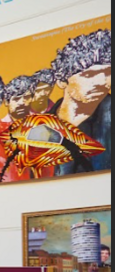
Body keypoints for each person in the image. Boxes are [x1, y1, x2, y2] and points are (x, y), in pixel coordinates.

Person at [50, 29, 111, 175]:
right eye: (89, 75)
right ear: (62, 81)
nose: (101, 82)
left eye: (108, 73)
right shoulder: (36, 127)